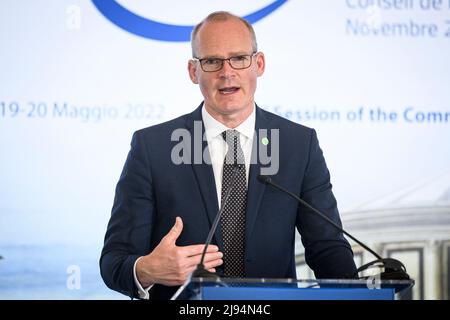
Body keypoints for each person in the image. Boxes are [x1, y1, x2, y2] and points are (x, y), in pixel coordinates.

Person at [100, 11, 357, 300]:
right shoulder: (153, 147)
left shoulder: (299, 144)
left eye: (239, 58)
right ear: (193, 71)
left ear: (258, 64)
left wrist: (356, 295)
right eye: (211, 61)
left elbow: (327, 247)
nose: (227, 72)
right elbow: (113, 261)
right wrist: (147, 269)